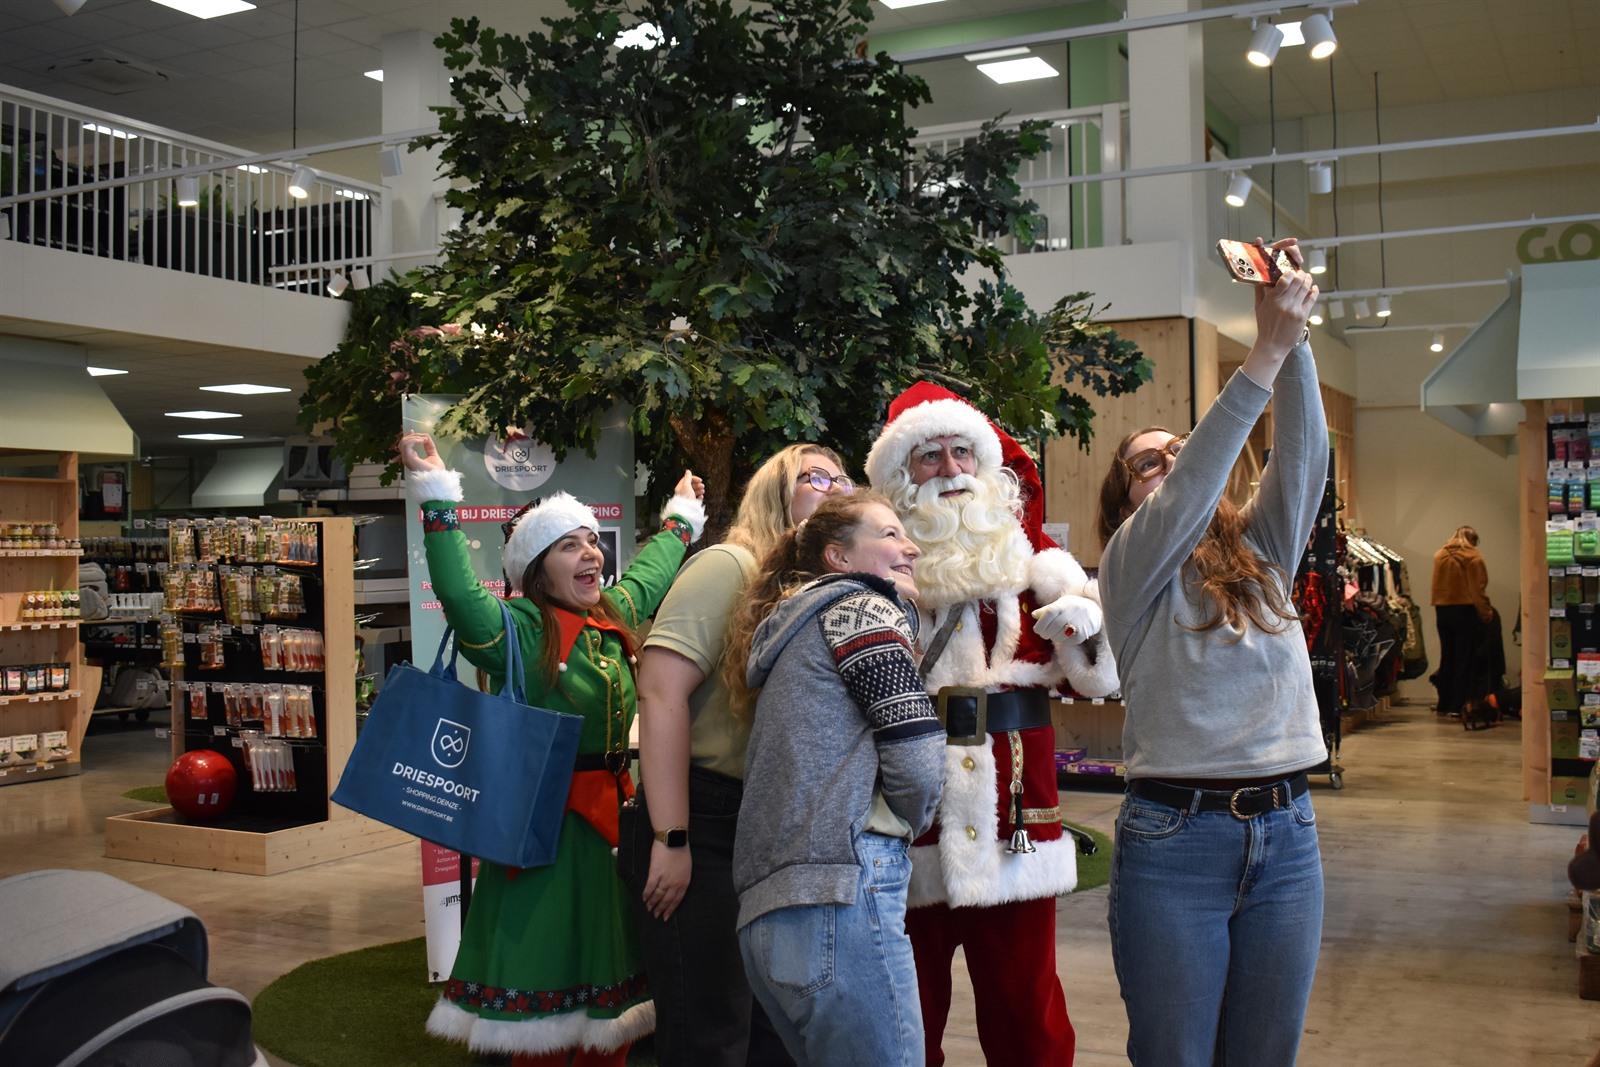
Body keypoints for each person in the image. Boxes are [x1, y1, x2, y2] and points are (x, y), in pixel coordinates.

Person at [399, 430, 706, 1067]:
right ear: (537, 569)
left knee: (611, 999)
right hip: (546, 832)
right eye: (570, 544)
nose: (591, 552)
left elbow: (648, 577)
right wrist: (436, 497)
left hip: (615, 825)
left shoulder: (609, 614)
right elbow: (459, 597)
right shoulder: (520, 628)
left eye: (592, 541)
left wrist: (681, 517)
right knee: (544, 984)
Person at [1095, 238, 1326, 1067]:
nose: (1171, 462)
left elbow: (1303, 460)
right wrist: (1263, 350)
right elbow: (1191, 491)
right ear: (1127, 497)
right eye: (1148, 462)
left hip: (1288, 832)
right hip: (1175, 840)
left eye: (1178, 447)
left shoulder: (1264, 552)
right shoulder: (1131, 562)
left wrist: (1294, 343)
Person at [864, 384, 1119, 1067]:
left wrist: (1087, 625)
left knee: (1027, 1012)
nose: (949, 470)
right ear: (900, 476)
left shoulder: (1037, 563)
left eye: (960, 452)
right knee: (903, 1015)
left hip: (1016, 820)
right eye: (928, 456)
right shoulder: (873, 573)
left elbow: (1097, 680)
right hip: (910, 817)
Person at [621, 443, 854, 1067]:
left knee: (775, 1030)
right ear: (776, 490)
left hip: (773, 822)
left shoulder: (817, 593)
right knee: (711, 1032)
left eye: (842, 479)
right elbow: (660, 691)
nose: (835, 488)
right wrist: (671, 837)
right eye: (816, 477)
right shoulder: (729, 565)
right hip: (704, 816)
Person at [724, 492, 947, 1067]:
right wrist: (907, 820)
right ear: (838, 557)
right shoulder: (862, 608)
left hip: (770, 914)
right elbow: (917, 753)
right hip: (842, 895)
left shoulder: (792, 631)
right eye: (890, 534)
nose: (911, 547)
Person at [1430, 525, 1492, 717]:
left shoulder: (1439, 556)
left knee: (1447, 656)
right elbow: (1477, 590)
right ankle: (1458, 704)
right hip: (1465, 610)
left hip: (1442, 610)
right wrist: (1486, 613)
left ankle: (1443, 703)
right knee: (1464, 659)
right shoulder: (1474, 558)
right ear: (1473, 540)